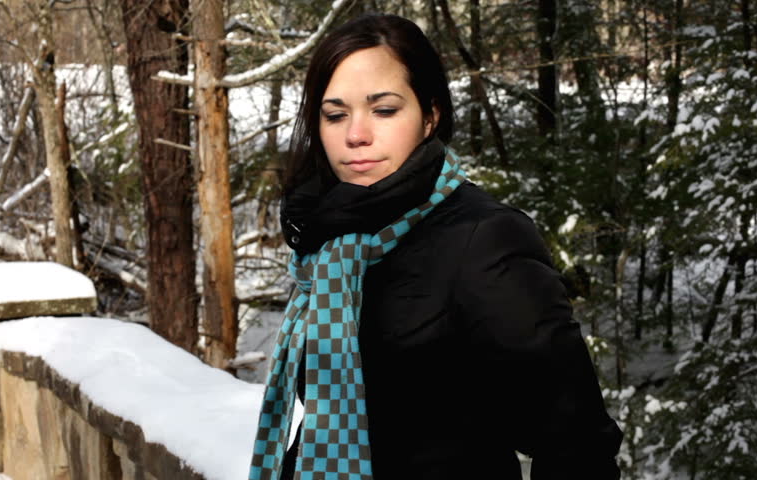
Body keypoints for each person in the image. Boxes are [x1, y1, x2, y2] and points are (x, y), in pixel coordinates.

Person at [250, 13, 623, 480]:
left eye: (384, 110)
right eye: (335, 114)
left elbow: (578, 445)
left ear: (430, 116)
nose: (355, 134)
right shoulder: (327, 241)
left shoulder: (484, 239)